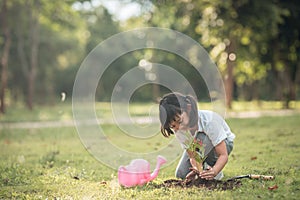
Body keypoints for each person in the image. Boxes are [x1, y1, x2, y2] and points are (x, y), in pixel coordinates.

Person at [159, 92, 235, 180]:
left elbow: (223, 155)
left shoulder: (209, 121)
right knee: (181, 174)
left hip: (223, 145)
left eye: (180, 121)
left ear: (188, 108)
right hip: (198, 148)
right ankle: (205, 169)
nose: (179, 127)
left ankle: (213, 167)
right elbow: (192, 156)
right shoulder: (178, 130)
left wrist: (214, 171)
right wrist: (197, 169)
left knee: (201, 139)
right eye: (173, 126)